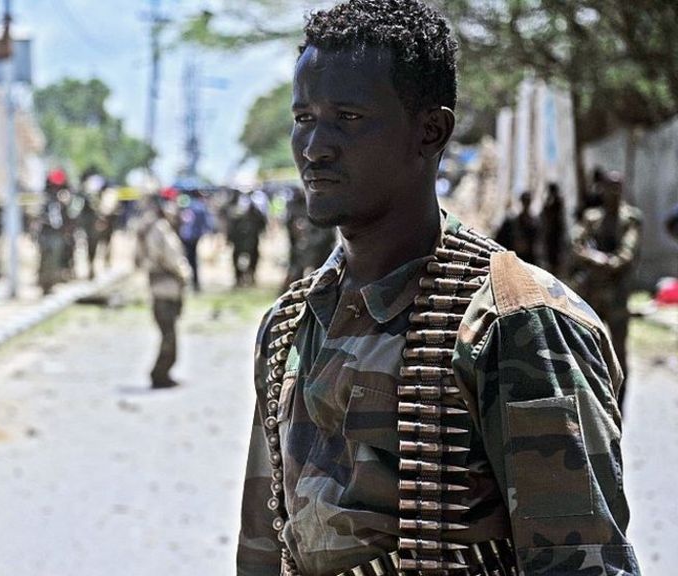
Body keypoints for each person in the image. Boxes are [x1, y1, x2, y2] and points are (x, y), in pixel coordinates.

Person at [237, 2, 640, 575]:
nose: (314, 147)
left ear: (431, 131)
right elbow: (263, 545)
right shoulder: (287, 326)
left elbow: (582, 563)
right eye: (304, 118)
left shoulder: (514, 323)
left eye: (348, 117)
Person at [572, 171, 642, 410]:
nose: (613, 192)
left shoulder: (630, 219)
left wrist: (608, 263)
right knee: (587, 350)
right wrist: (595, 258)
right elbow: (576, 244)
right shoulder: (592, 219)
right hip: (593, 295)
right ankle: (594, 403)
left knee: (619, 353)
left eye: (617, 187)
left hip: (617, 296)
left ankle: (618, 405)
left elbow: (627, 254)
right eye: (609, 187)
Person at [139, 198, 190, 389]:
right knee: (169, 336)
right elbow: (173, 259)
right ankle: (159, 374)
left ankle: (162, 374)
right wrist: (184, 275)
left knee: (168, 333)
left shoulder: (150, 228)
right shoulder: (160, 229)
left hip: (161, 288)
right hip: (166, 289)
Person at [227, 189, 268, 287]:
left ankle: (251, 275)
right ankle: (238, 277)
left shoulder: (256, 207)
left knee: (254, 255)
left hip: (252, 237)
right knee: (236, 256)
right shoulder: (235, 207)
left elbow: (262, 222)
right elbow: (231, 224)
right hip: (239, 238)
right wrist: (229, 237)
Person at [178, 189, 214, 292]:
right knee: (192, 260)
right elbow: (207, 223)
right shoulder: (200, 207)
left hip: (185, 236)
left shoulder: (186, 205)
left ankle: (190, 282)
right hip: (194, 237)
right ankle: (194, 283)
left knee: (186, 259)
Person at [493, 190, 540, 264]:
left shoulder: (533, 224)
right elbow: (500, 239)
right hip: (512, 258)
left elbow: (536, 244)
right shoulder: (511, 222)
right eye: (525, 201)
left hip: (527, 260)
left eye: (528, 201)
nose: (526, 204)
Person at [541, 182, 566, 274]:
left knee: (555, 256)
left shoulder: (557, 201)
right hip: (551, 233)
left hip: (556, 232)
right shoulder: (551, 201)